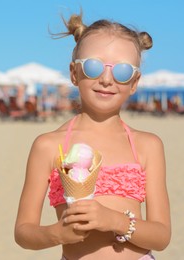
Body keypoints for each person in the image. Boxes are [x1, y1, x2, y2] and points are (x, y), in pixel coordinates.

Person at [14, 11, 171, 260]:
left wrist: (115, 221)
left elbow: (161, 236)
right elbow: (24, 232)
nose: (107, 79)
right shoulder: (48, 146)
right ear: (74, 73)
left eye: (122, 72)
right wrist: (57, 234)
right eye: (94, 67)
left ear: (134, 82)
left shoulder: (147, 145)